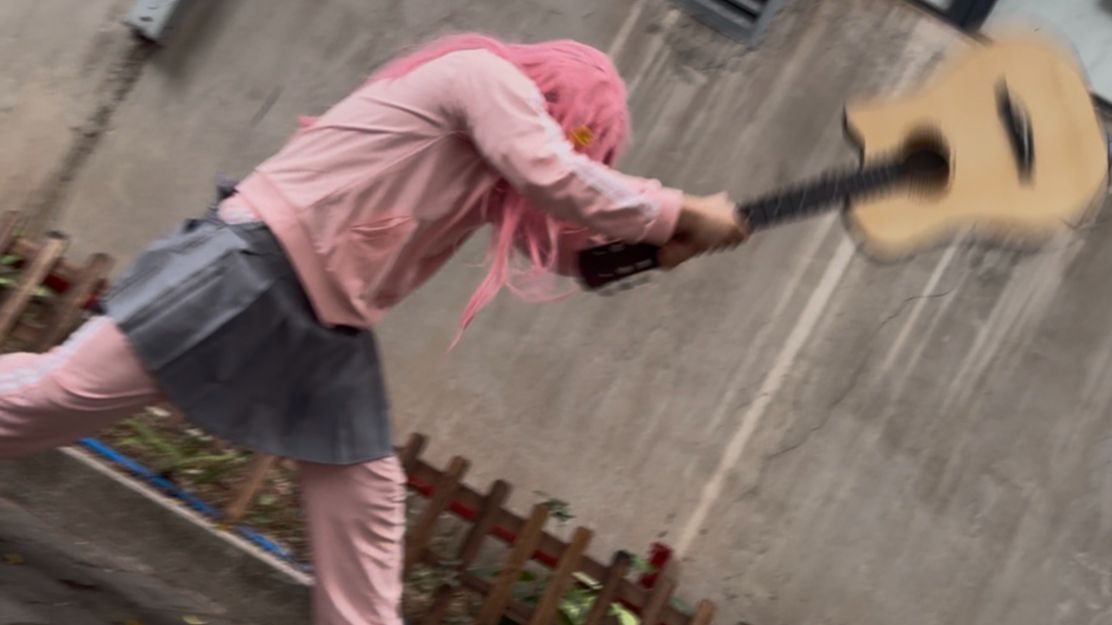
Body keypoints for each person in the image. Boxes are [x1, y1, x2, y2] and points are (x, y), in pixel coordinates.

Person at [0, 33, 747, 625]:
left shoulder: (502, 158)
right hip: (255, 264)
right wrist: (680, 210)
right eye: (581, 131)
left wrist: (662, 246)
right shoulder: (480, 77)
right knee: (53, 397)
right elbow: (554, 175)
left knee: (365, 493)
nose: (578, 145)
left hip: (330, 324)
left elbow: (561, 243)